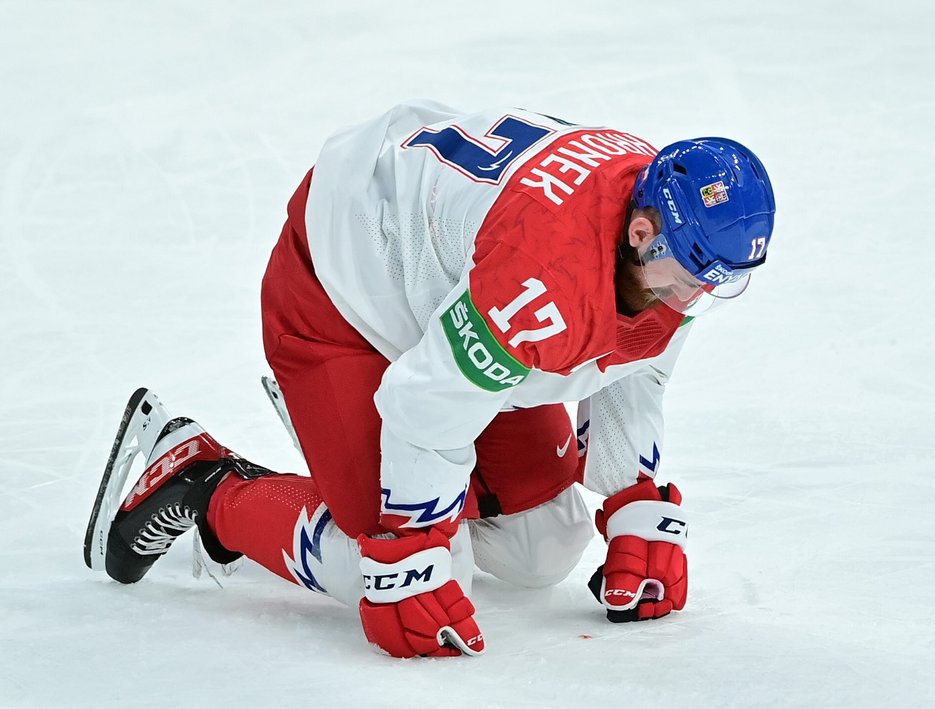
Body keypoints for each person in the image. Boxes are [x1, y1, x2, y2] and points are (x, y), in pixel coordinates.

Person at [84, 100, 776, 658]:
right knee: (378, 570)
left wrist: (636, 492)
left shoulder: (671, 240)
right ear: (641, 232)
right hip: (341, 283)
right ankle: (209, 485)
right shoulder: (544, 281)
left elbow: (632, 360)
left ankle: (348, 448)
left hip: (451, 278)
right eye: (686, 275)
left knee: (546, 546)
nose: (692, 297)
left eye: (714, 282)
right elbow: (423, 403)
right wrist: (412, 545)